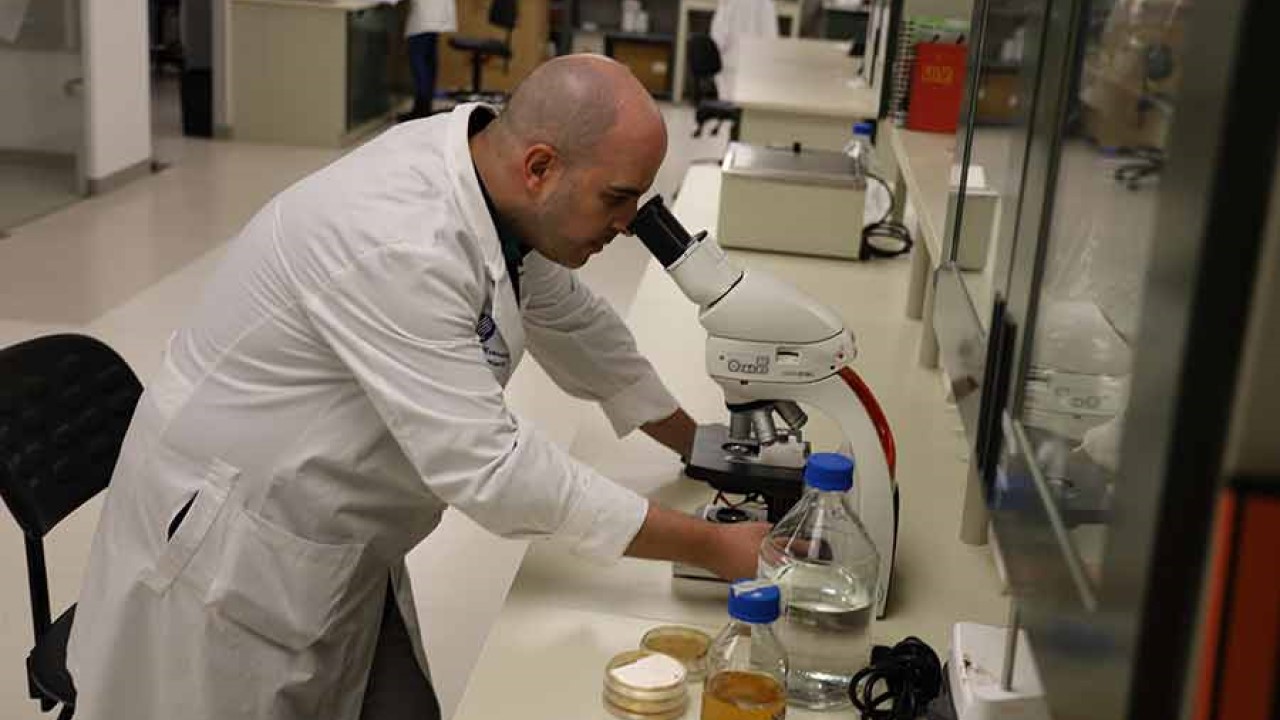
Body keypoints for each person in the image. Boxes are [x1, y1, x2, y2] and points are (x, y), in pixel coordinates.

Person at [66, 55, 770, 720]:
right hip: (233, 554)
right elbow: (495, 470)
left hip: (333, 538)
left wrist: (700, 446)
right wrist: (711, 546)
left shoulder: (488, 180)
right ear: (539, 167)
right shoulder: (401, 240)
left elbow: (578, 327)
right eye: (617, 198)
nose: (626, 223)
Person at [401, 0, 456, 120]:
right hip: (433, 13)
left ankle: (422, 108)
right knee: (428, 59)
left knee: (419, 59)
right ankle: (423, 107)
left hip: (425, 15)